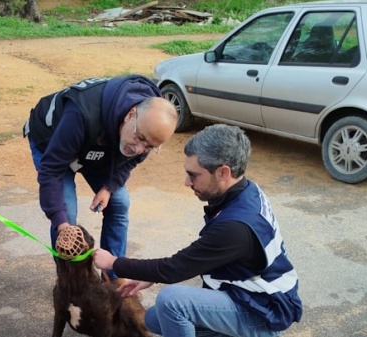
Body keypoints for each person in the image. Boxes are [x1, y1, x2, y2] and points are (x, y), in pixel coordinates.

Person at [93, 124, 303, 337]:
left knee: (172, 302)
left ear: (223, 172)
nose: (186, 182)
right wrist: (152, 277)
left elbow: (175, 268)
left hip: (262, 313)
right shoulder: (246, 192)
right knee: (155, 319)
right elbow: (196, 257)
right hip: (250, 297)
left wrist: (113, 263)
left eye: (193, 175)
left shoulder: (235, 228)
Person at [22, 75, 177, 280]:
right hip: (53, 141)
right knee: (66, 212)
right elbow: (51, 170)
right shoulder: (82, 114)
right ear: (131, 114)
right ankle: (70, 280)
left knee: (119, 202)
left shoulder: (148, 130)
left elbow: (131, 160)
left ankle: (113, 274)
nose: (139, 149)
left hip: (96, 148)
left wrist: (108, 187)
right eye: (139, 139)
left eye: (149, 146)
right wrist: (62, 225)